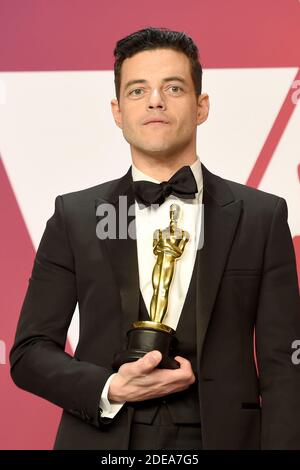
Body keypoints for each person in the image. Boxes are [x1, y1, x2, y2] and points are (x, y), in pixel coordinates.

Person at [10, 27, 300, 450]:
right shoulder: (74, 216)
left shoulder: (262, 216)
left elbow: (284, 367)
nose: (155, 100)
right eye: (137, 90)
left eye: (174, 87)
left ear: (202, 106)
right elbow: (29, 353)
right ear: (117, 110)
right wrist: (110, 387)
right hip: (102, 441)